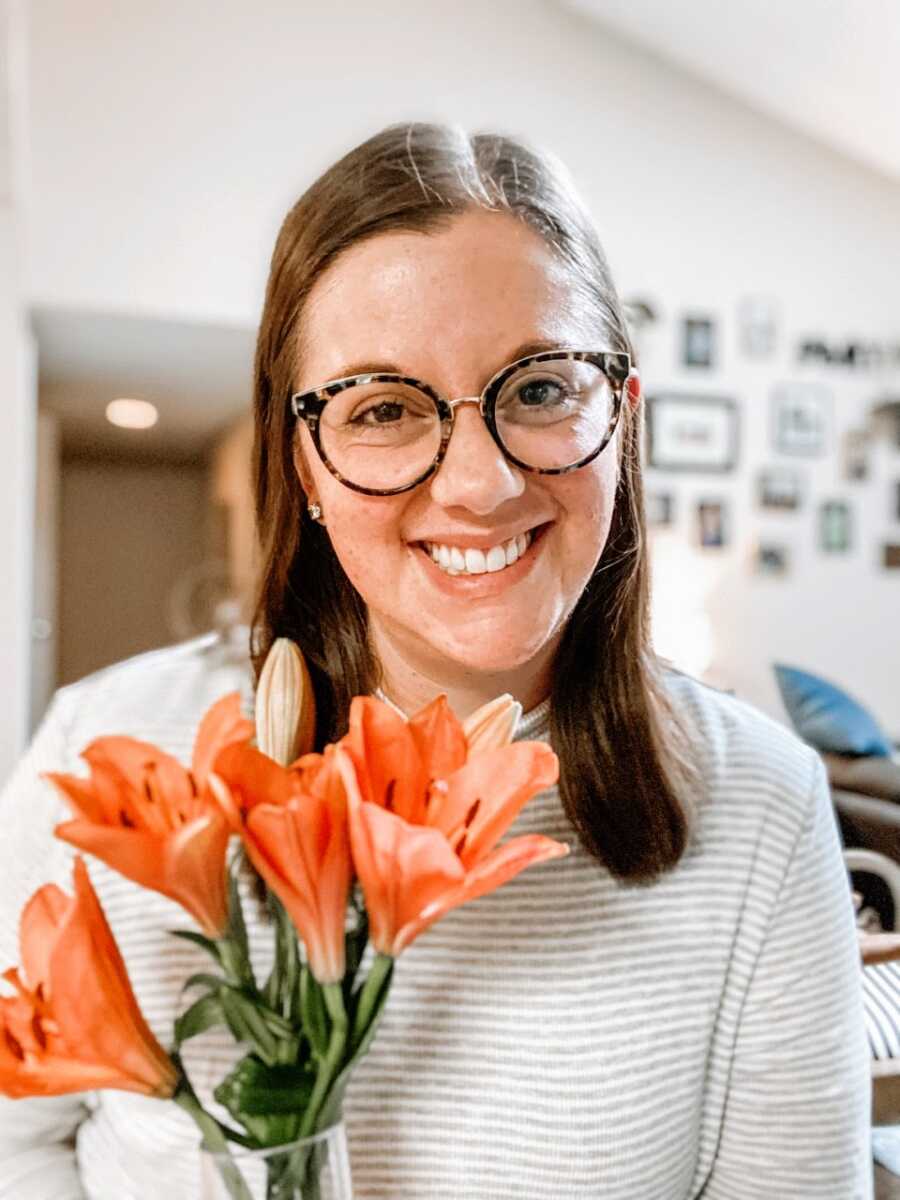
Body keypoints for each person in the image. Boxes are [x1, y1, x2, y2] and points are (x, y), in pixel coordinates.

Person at [0, 122, 871, 1199]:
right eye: (382, 409)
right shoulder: (107, 752)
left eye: (542, 388)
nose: (479, 484)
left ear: (623, 417)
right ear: (302, 462)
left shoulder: (762, 805)